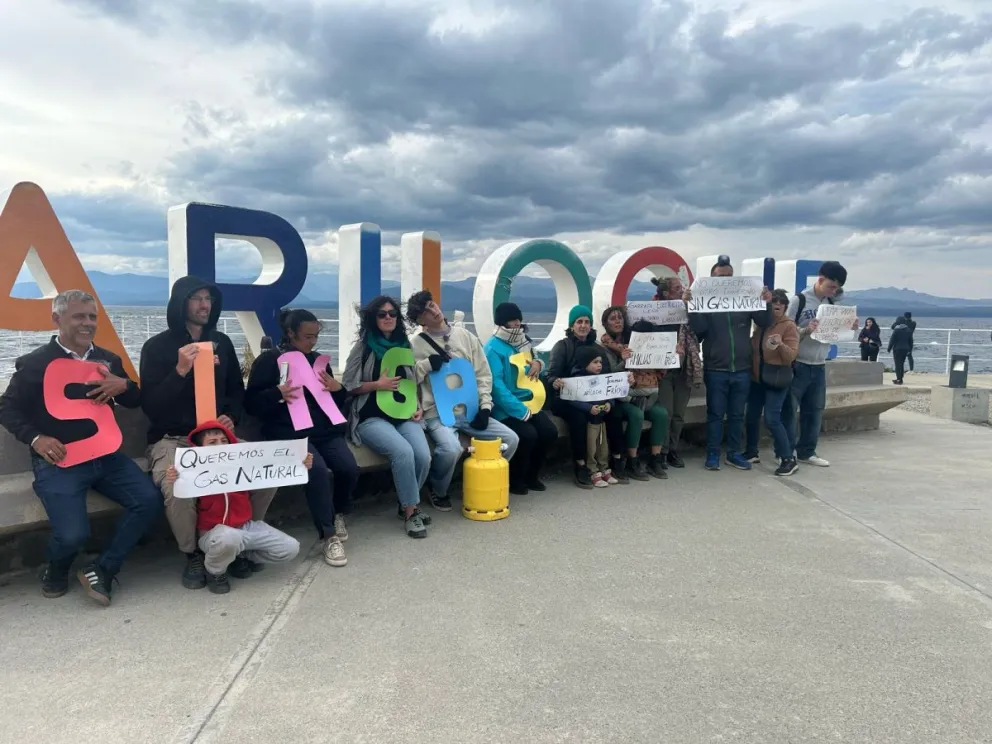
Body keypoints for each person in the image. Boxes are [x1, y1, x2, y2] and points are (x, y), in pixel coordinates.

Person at [0, 290, 162, 605]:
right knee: (73, 535)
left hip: (106, 455)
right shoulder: (35, 364)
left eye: (92, 317)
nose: (87, 323)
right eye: (79, 316)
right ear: (57, 319)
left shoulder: (108, 359)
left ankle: (102, 569)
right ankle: (56, 571)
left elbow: (134, 399)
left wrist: (125, 385)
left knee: (148, 501)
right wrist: (36, 438)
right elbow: (7, 408)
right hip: (59, 460)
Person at [140, 276, 276, 589]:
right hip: (172, 437)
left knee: (266, 473)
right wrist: (180, 372)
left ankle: (239, 538)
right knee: (178, 486)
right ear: (180, 303)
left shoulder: (223, 343)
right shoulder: (157, 346)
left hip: (217, 436)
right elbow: (152, 406)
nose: (204, 305)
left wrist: (230, 416)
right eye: (196, 298)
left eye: (208, 299)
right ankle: (193, 554)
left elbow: (236, 392)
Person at [244, 308, 355, 567]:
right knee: (315, 471)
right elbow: (250, 404)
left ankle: (338, 513)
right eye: (307, 336)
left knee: (348, 468)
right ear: (290, 333)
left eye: (316, 336)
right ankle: (328, 535)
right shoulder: (270, 361)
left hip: (324, 431)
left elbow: (334, 400)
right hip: (289, 433)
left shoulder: (318, 360)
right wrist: (276, 393)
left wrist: (339, 389)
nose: (312, 342)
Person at [406, 290, 520, 505]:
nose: (433, 311)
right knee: (450, 448)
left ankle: (481, 479)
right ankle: (437, 489)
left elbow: (482, 374)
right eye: (426, 311)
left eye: (432, 304)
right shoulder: (416, 344)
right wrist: (426, 365)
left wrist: (485, 407)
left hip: (470, 409)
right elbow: (408, 380)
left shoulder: (465, 336)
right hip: (437, 413)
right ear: (420, 320)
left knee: (511, 439)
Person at [164, 420, 302, 594]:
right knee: (229, 538)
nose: (220, 446)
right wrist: (174, 477)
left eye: (224, 441)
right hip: (213, 532)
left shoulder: (241, 466)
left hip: (245, 527)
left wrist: (301, 464)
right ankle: (215, 571)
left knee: (290, 548)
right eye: (212, 443)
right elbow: (180, 489)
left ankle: (239, 555)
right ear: (199, 450)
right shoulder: (193, 472)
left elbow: (276, 468)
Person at [341, 295, 432, 538]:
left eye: (392, 313)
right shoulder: (363, 347)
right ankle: (411, 512)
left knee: (423, 455)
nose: (388, 317)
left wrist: (417, 405)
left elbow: (412, 382)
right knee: (402, 453)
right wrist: (377, 384)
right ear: (373, 318)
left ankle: (406, 505)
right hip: (371, 418)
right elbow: (348, 385)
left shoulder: (404, 346)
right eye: (382, 314)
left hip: (402, 415)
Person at [685, 256, 773, 471]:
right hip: (715, 368)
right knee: (715, 414)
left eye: (728, 277)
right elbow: (700, 332)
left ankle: (733, 453)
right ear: (712, 279)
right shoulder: (706, 302)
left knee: (736, 415)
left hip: (742, 369)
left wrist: (766, 302)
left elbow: (764, 321)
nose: (724, 280)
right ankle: (713, 454)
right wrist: (692, 307)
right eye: (719, 277)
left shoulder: (745, 298)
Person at [546, 305, 628, 488]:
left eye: (587, 322)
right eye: (579, 321)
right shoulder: (562, 346)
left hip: (595, 396)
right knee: (579, 418)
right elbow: (551, 374)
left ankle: (616, 459)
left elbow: (607, 376)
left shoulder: (597, 348)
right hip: (567, 399)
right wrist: (555, 381)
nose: (583, 325)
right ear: (572, 325)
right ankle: (581, 464)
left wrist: (610, 398)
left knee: (615, 413)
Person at [785, 261, 857, 467]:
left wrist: (849, 327)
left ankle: (807, 451)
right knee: (790, 410)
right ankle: (786, 451)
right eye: (830, 286)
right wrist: (806, 330)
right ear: (820, 280)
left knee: (815, 410)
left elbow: (836, 333)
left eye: (837, 288)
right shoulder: (799, 300)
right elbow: (786, 332)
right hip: (798, 362)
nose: (833, 291)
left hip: (819, 363)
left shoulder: (832, 303)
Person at [483, 303, 558, 494]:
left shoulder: (523, 342)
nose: (517, 324)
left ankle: (532, 476)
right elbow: (496, 386)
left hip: (530, 401)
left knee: (549, 431)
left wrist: (539, 364)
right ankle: (516, 479)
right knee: (527, 435)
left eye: (518, 319)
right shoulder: (492, 348)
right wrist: (520, 410)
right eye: (512, 320)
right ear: (502, 322)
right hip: (504, 408)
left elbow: (536, 361)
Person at [600, 305, 670, 480]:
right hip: (622, 397)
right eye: (612, 318)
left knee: (661, 414)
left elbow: (653, 363)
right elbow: (607, 373)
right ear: (605, 323)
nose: (617, 321)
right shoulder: (604, 347)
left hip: (642, 392)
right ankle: (632, 460)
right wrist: (624, 362)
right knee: (637, 415)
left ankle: (655, 458)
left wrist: (668, 356)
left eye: (620, 318)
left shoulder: (636, 340)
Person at [743, 289, 800, 476]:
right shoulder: (762, 324)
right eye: (773, 302)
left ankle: (787, 458)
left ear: (784, 306)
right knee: (751, 415)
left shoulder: (789, 326)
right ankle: (752, 452)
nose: (776, 305)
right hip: (757, 378)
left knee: (772, 419)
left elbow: (791, 355)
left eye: (780, 303)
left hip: (776, 379)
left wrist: (780, 344)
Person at [650, 276, 703, 468]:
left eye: (682, 287)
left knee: (679, 413)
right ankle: (661, 451)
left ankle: (672, 449)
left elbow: (701, 331)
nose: (682, 291)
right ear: (666, 293)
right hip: (663, 370)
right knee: (667, 412)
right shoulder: (655, 313)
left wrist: (691, 308)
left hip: (684, 367)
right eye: (677, 288)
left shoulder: (687, 310)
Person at [564, 346, 618, 488]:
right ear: (584, 363)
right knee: (591, 446)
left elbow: (609, 393)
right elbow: (572, 399)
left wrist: (609, 404)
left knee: (603, 445)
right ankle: (592, 470)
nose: (599, 365)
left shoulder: (602, 378)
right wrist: (588, 408)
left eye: (600, 362)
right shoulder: (577, 379)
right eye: (594, 362)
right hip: (590, 419)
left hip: (601, 418)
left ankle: (604, 467)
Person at [888, 316, 914, 385]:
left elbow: (892, 340)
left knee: (897, 364)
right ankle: (900, 378)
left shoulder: (896, 330)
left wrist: (889, 348)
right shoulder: (909, 331)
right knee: (901, 364)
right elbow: (911, 342)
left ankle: (899, 379)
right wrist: (910, 350)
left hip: (897, 349)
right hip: (906, 349)